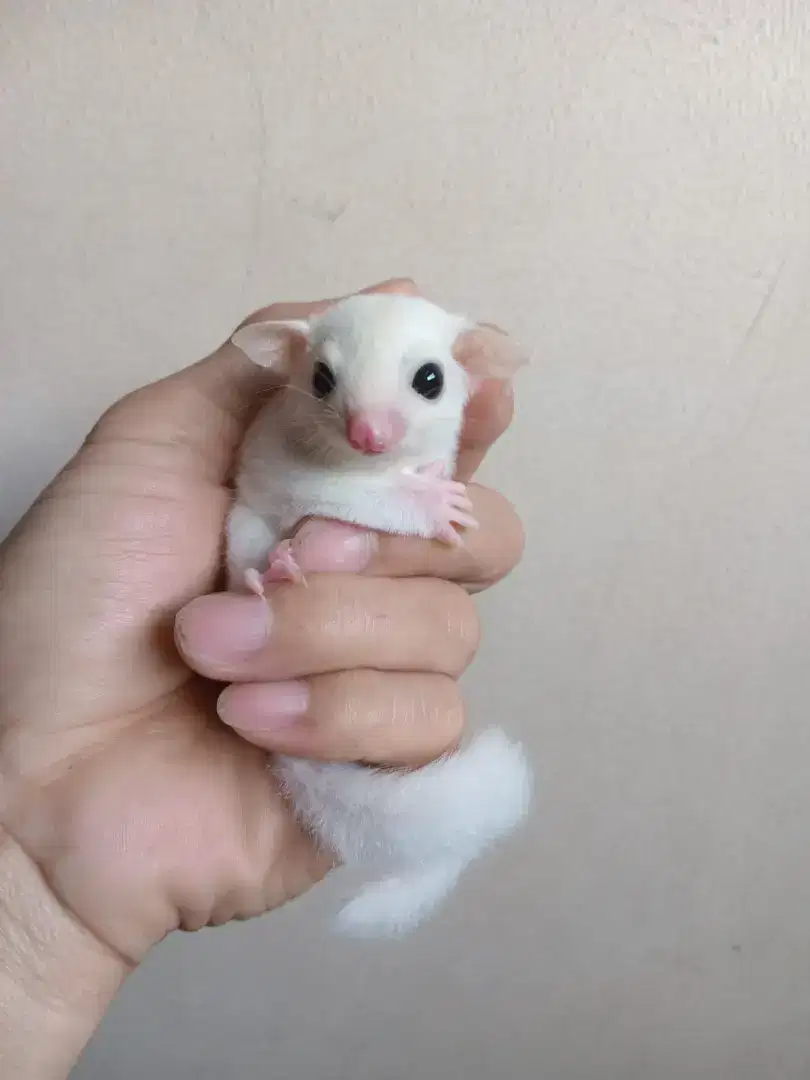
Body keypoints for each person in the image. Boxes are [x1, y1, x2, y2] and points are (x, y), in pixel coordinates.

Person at [0, 279, 524, 1079]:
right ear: (292, 360)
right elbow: (313, 492)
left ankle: (402, 822)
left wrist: (41, 912)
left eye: (424, 383)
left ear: (471, 363)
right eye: (328, 383)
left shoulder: (438, 415)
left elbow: (379, 490)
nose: (368, 425)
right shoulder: (284, 437)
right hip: (260, 535)